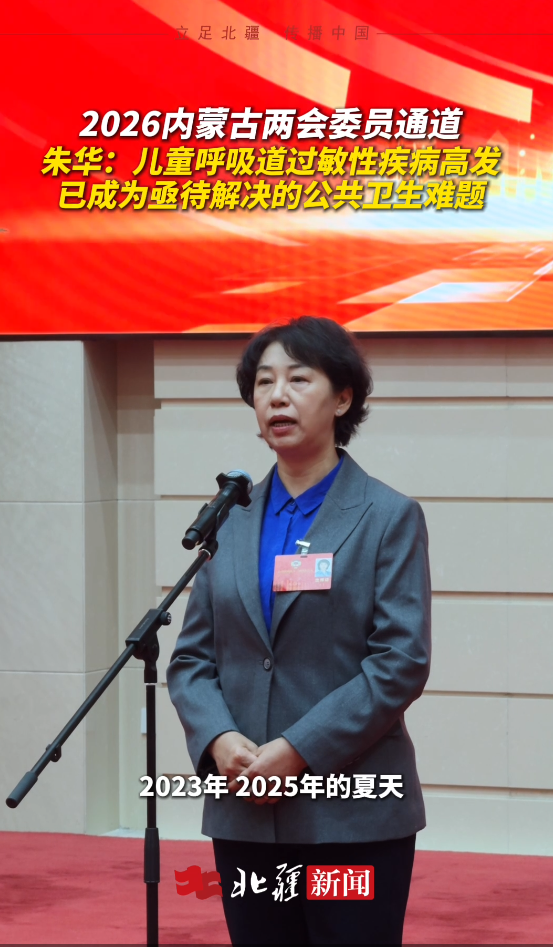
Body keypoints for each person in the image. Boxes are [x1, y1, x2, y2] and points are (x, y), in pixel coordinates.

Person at [167, 316, 431, 945]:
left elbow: (399, 662)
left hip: (350, 813)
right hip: (244, 811)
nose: (277, 396)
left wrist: (294, 752)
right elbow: (192, 661)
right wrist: (219, 740)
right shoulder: (230, 521)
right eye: (263, 383)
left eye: (298, 379)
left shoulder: (387, 516)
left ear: (342, 399)